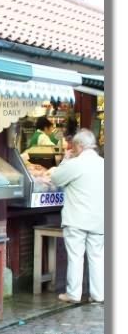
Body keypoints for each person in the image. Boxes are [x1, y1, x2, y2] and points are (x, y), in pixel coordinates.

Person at [50, 129, 104, 304]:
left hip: (77, 219)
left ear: (79, 146)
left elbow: (56, 178)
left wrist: (66, 159)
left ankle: (74, 294)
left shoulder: (76, 164)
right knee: (97, 257)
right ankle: (98, 294)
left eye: (73, 146)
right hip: (100, 219)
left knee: (76, 256)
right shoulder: (104, 164)